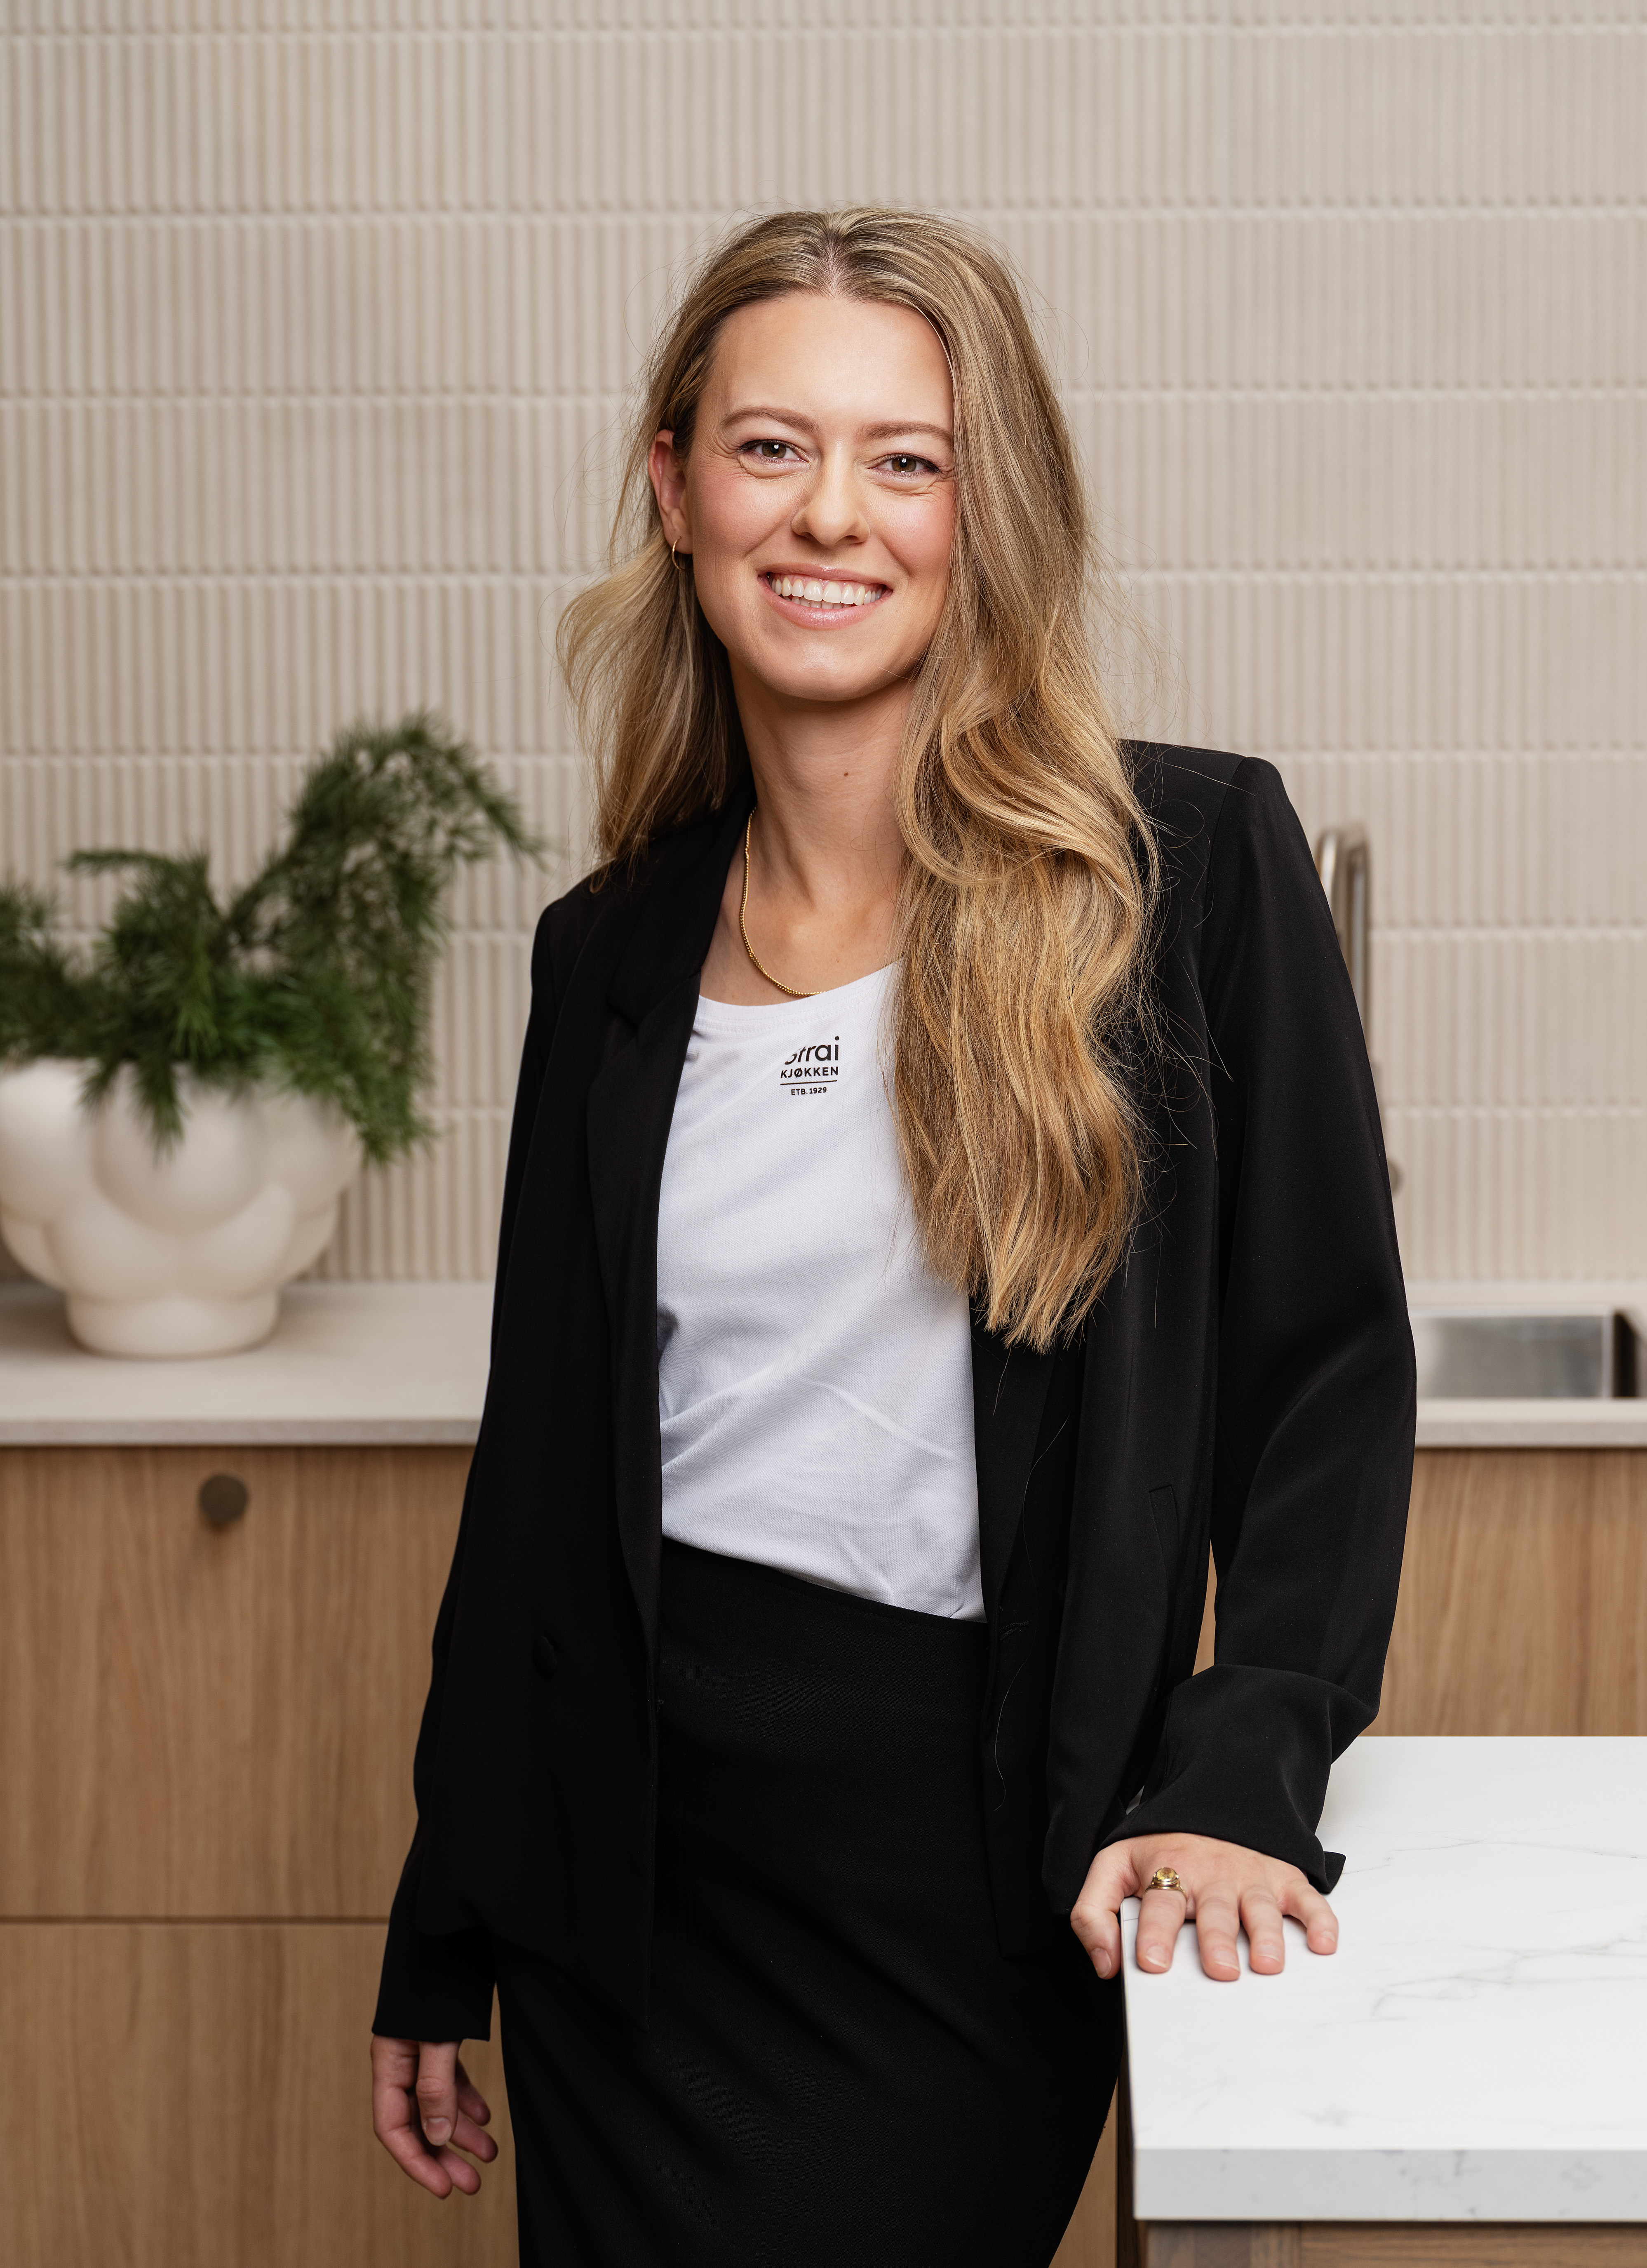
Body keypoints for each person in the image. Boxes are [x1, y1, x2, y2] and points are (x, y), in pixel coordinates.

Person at [370, 206, 1414, 2268]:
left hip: (961, 1879)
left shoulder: (1180, 876)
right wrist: (446, 1909)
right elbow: (544, 1463)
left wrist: (1239, 1765)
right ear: (675, 489)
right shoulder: (609, 950)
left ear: (979, 510)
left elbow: (1320, 1375)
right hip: (617, 1884)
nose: (828, 514)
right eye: (769, 448)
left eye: (903, 459)